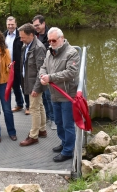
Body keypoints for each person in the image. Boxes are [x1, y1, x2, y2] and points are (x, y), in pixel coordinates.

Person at [40, 27, 80, 162]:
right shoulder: (49, 52)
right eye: (49, 40)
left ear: (62, 38)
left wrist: (50, 77)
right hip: (54, 94)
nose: (51, 43)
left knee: (68, 124)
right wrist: (42, 75)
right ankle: (64, 143)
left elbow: (71, 72)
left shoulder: (72, 53)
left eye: (54, 40)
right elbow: (43, 66)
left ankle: (68, 150)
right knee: (58, 122)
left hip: (67, 95)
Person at [17, 23, 47, 146]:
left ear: (31, 35)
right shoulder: (27, 45)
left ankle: (33, 136)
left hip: (35, 83)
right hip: (28, 81)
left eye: (23, 37)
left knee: (34, 109)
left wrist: (36, 88)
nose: (21, 39)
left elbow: (41, 70)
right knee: (39, 105)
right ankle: (42, 129)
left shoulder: (38, 48)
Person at [32, 15, 55, 129]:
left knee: (50, 95)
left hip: (50, 69)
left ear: (43, 23)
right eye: (34, 25)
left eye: (37, 25)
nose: (35, 27)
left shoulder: (51, 35)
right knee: (44, 96)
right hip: (40, 69)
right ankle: (48, 116)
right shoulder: (35, 35)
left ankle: (54, 119)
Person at [3, 16, 29, 115]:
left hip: (20, 65)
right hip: (9, 67)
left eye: (12, 24)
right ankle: (19, 104)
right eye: (9, 24)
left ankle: (28, 106)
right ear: (6, 25)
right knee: (15, 86)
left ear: (16, 24)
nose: (10, 26)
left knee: (24, 85)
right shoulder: (4, 35)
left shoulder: (20, 35)